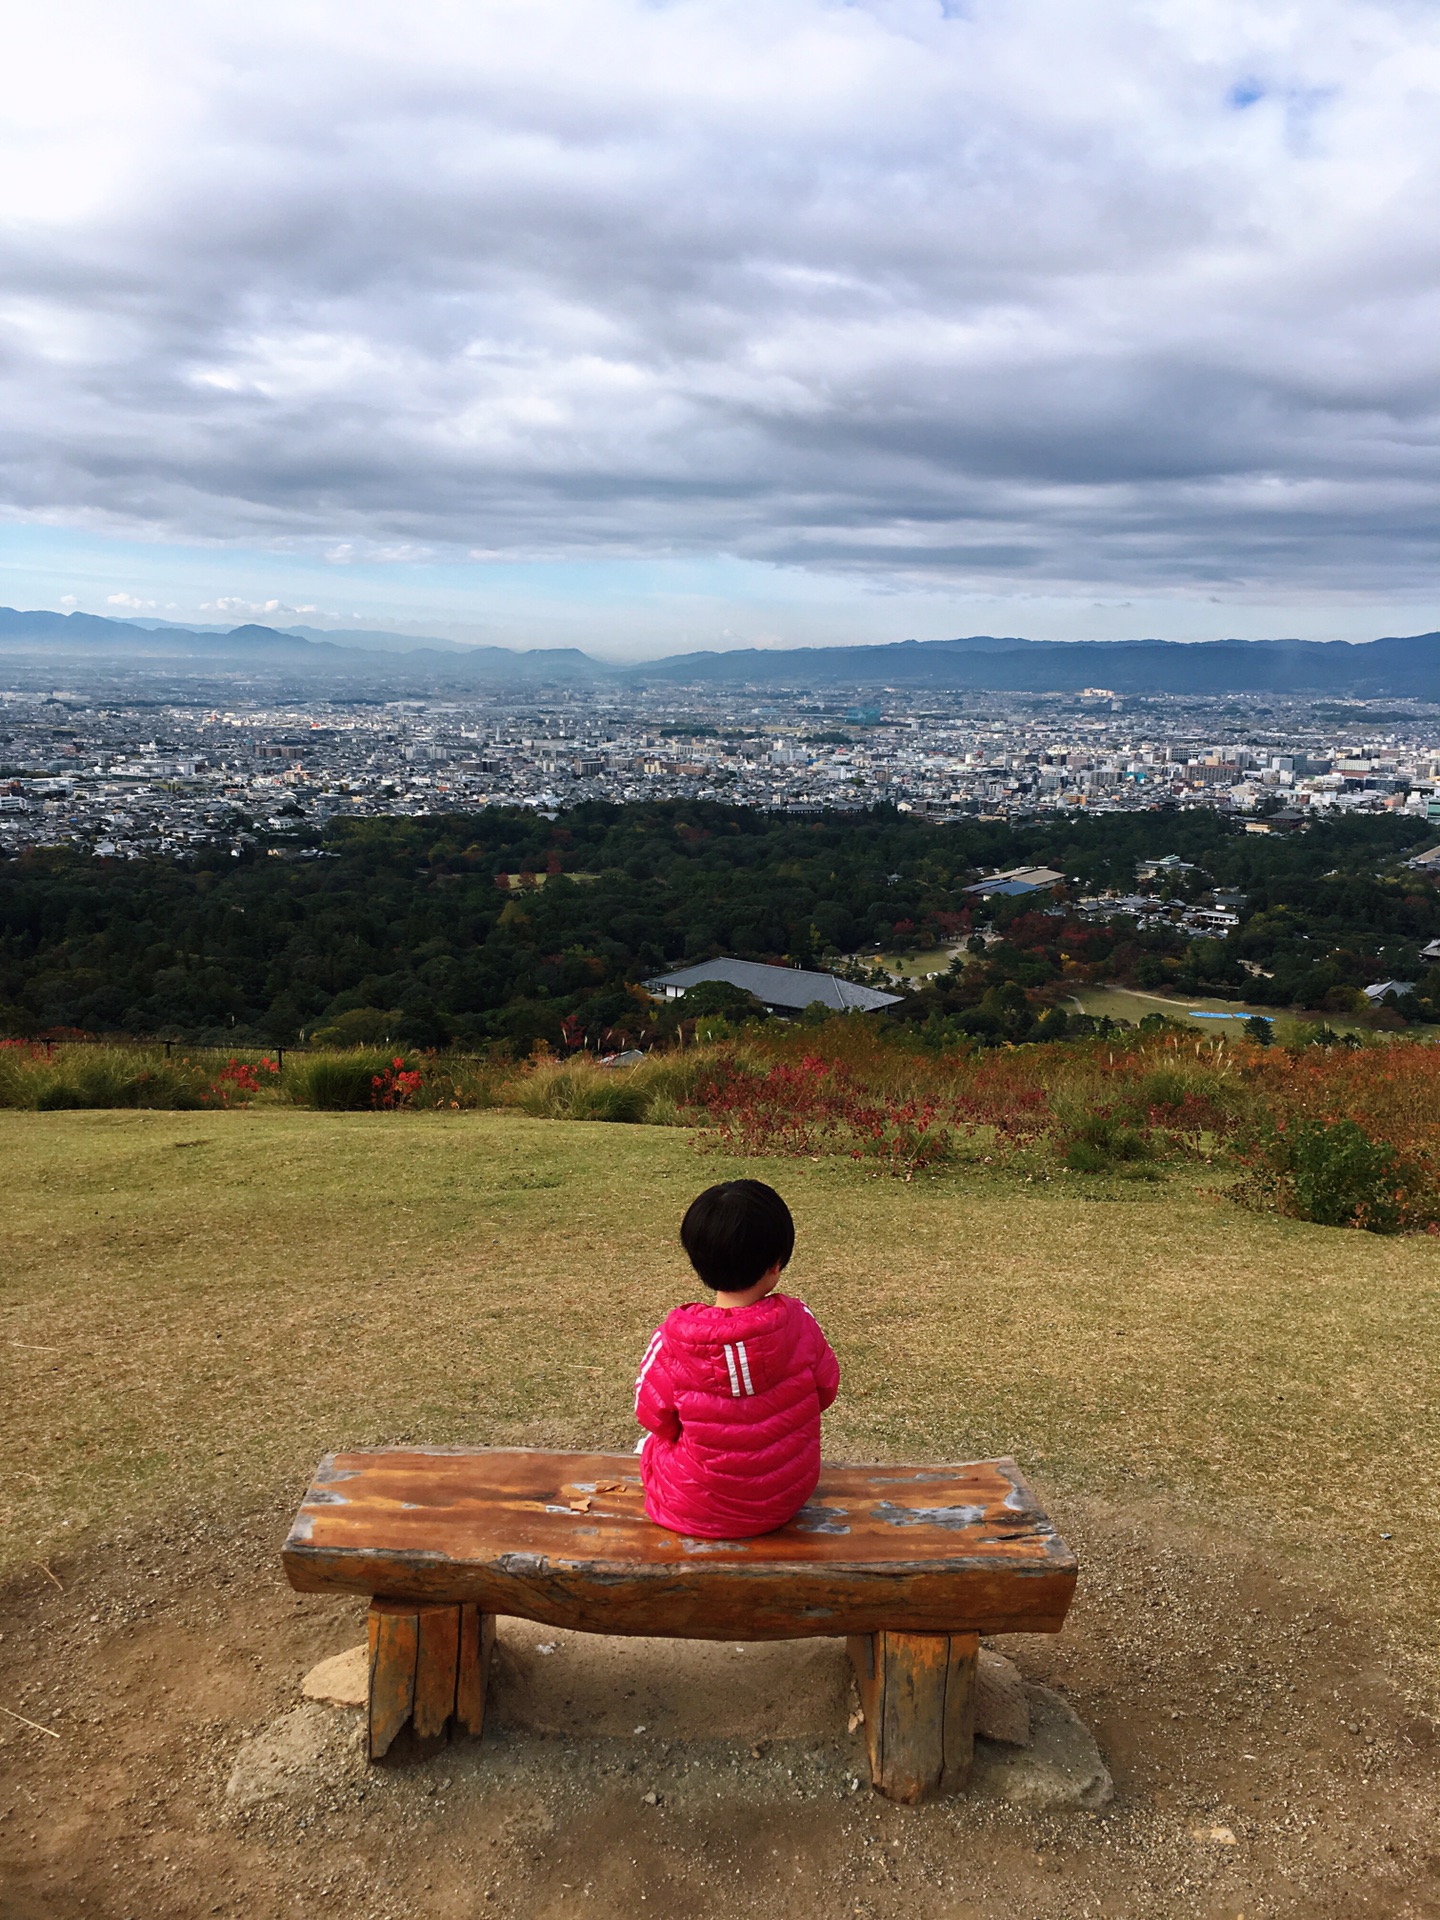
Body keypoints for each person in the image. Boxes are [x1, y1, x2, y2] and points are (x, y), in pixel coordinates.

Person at [633, 1178, 840, 1538]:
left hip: (692, 1506)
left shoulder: (672, 1340)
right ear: (776, 1263)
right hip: (784, 1498)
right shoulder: (800, 1323)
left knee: (653, 1447)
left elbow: (653, 1416)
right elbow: (826, 1389)